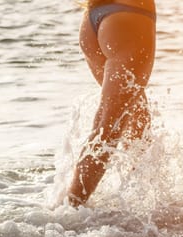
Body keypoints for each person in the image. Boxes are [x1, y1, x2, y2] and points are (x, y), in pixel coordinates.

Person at [67, 0, 157, 207]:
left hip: (92, 21)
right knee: (108, 127)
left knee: (136, 113)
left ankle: (143, 204)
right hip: (130, 17)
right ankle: (69, 212)